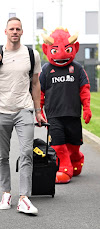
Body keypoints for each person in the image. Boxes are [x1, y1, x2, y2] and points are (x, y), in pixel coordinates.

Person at [0, 17, 45, 215]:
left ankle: (24, 198)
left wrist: (38, 111)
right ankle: (6, 192)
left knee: (26, 152)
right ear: (5, 32)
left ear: (22, 32)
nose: (14, 32)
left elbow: (35, 84)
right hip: (0, 110)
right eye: (11, 29)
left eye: (18, 29)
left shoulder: (32, 54)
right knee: (2, 155)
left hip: (24, 109)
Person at [39, 28, 92, 184]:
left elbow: (85, 89)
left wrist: (87, 108)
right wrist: (39, 111)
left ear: (74, 48)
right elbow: (40, 92)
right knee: (57, 146)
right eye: (55, 50)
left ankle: (76, 160)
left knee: (73, 146)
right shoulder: (46, 70)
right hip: (54, 116)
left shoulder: (77, 69)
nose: (61, 55)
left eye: (67, 50)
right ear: (46, 49)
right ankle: (64, 170)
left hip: (73, 114)